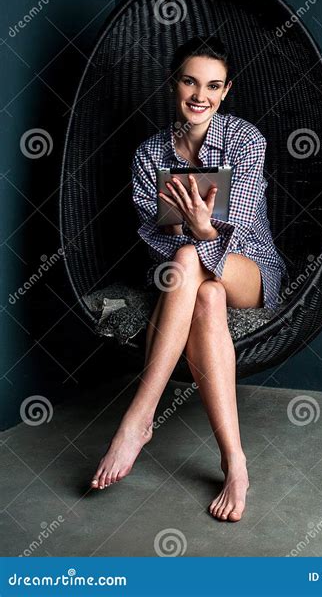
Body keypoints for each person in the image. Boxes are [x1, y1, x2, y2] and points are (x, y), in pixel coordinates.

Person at [90, 36, 287, 522]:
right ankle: (235, 461)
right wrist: (192, 233)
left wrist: (197, 229)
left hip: (251, 267)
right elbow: (153, 239)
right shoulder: (150, 154)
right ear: (173, 83)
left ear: (226, 92)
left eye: (213, 86)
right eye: (190, 81)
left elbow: (234, 229)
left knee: (191, 254)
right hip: (196, 281)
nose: (201, 95)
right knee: (206, 297)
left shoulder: (245, 141)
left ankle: (139, 418)